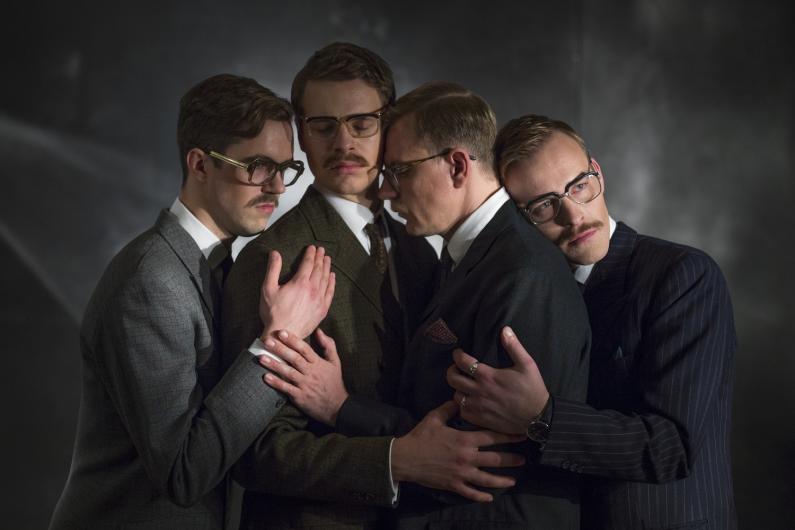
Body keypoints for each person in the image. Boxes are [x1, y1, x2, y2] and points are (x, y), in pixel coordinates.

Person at [222, 44, 523, 529]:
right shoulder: (271, 259)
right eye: (323, 126)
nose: (343, 143)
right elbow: (255, 452)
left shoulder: (422, 246)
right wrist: (394, 461)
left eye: (361, 123)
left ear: (390, 123)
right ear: (302, 134)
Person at [49, 74, 334, 530]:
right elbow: (183, 473)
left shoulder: (218, 266)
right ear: (200, 164)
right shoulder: (151, 283)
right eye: (259, 166)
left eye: (286, 168)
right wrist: (279, 341)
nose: (278, 187)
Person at [448, 114, 737, 529]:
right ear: (517, 218)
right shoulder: (525, 292)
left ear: (597, 172)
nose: (573, 215)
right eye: (544, 205)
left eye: (579, 185)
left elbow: (672, 447)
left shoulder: (683, 276)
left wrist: (541, 415)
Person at [375, 82, 591, 528]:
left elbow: (473, 461)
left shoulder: (521, 272)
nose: (385, 192)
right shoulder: (465, 254)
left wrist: (339, 406)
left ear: (457, 165)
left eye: (399, 171)